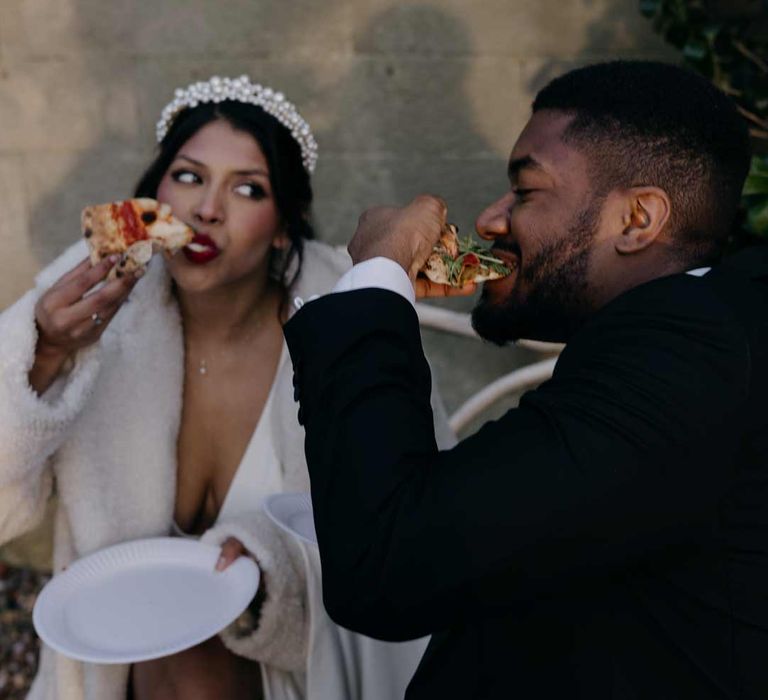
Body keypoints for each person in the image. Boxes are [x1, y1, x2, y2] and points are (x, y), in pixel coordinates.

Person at [283, 60, 768, 699]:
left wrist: (376, 279)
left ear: (638, 220)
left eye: (527, 190)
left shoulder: (685, 356)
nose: (491, 217)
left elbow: (388, 559)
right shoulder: (707, 333)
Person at [0, 75, 450, 699]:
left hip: (309, 664)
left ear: (285, 227)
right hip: (116, 667)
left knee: (193, 665)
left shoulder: (350, 323)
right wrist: (45, 354)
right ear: (153, 197)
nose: (206, 209)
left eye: (247, 188)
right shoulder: (90, 312)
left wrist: (269, 572)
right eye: (187, 176)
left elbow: (419, 534)